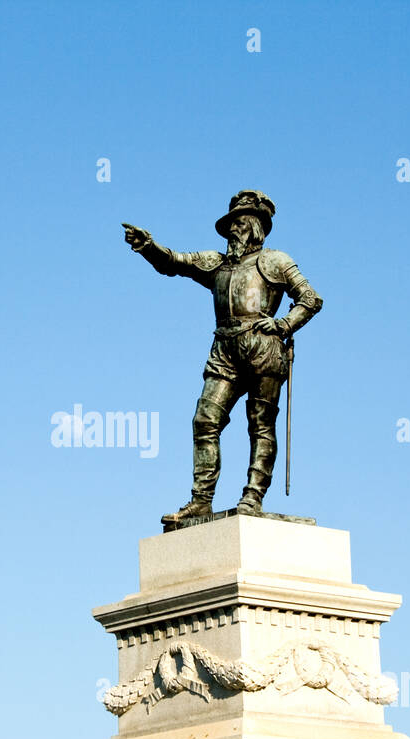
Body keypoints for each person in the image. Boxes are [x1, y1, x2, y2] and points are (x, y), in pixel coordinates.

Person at [122, 189, 322, 524]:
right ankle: (201, 500)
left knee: (259, 425)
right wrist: (148, 247)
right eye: (230, 224)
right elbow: (175, 262)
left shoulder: (277, 261)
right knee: (205, 420)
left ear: (256, 226)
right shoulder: (216, 264)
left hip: (263, 348)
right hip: (224, 349)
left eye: (240, 223)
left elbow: (310, 299)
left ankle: (252, 496)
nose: (232, 230)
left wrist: (283, 324)